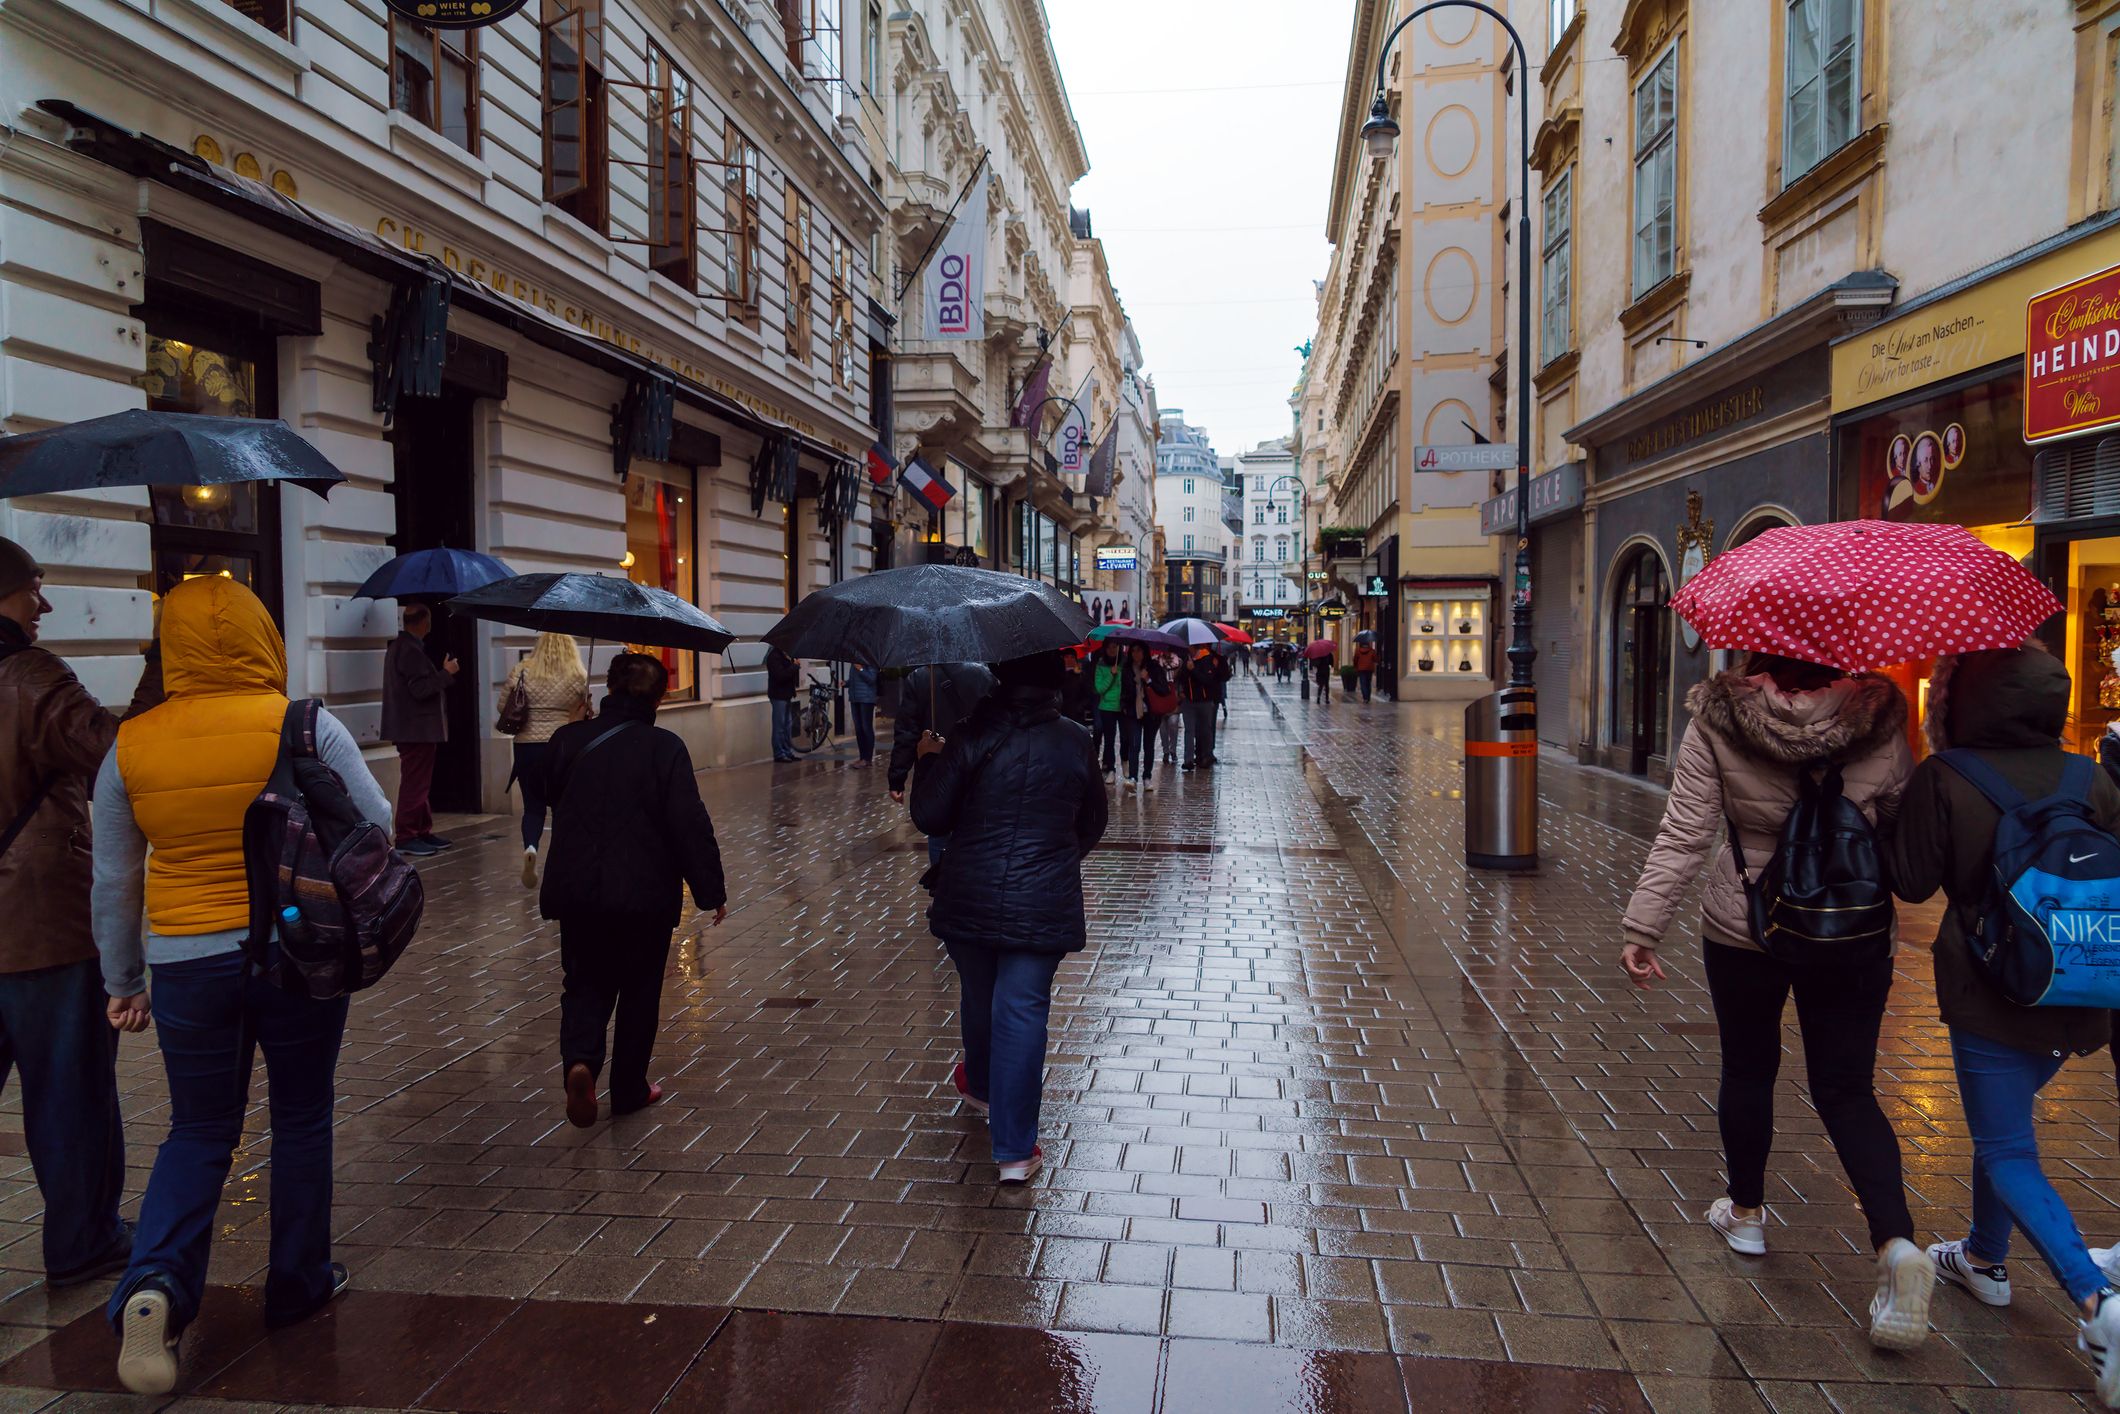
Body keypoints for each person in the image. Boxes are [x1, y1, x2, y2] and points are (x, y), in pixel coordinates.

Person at [93, 577, 390, 1395]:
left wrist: (124, 979)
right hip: (294, 952)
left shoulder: (132, 743)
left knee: (197, 1129)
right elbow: (380, 825)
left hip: (186, 964)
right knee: (300, 1117)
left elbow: (114, 878)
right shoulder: (301, 723)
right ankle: (296, 1283)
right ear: (264, 636)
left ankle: (154, 1287)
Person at [1620, 653, 1928, 1351]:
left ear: (1757, 650)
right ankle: (1897, 1245)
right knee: (1848, 1089)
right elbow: (1902, 828)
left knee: (1750, 1067)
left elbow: (1686, 831)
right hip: (1851, 925)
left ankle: (1749, 1212)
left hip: (1745, 922)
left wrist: (1645, 927)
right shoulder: (1878, 720)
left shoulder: (1719, 720)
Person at [1883, 643, 2120, 1403]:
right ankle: (1984, 1259)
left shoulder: (1945, 775)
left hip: (1992, 987)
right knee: (2003, 1127)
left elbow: (1913, 882)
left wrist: (1901, 809)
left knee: (2007, 1146)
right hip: (2085, 984)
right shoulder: (2091, 774)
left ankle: (2098, 1305)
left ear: (1959, 700)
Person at [912, 650, 1106, 1183]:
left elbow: (930, 815)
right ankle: (1015, 1151)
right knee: (1021, 1011)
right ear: (1053, 682)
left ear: (999, 677)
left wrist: (929, 758)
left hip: (970, 893)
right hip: (1041, 900)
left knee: (979, 994)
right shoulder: (1073, 739)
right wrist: (1051, 859)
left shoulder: (970, 733)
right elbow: (1093, 822)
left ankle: (979, 1086)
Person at [0, 538, 132, 1294]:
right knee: (68, 1089)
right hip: (41, 926)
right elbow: (115, 754)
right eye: (31, 589)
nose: (42, 605)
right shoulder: (32, 678)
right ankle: (82, 1239)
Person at [542, 652, 726, 1129]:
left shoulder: (567, 740)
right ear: (659, 698)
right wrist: (711, 890)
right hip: (643, 895)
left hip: (580, 888)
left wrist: (573, 728)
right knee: (640, 990)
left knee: (583, 982)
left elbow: (548, 795)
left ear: (609, 687)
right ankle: (627, 1088)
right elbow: (689, 824)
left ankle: (580, 1063)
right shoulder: (665, 748)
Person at [505, 633, 589, 889]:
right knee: (562, 807)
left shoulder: (521, 671)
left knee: (533, 808)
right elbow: (582, 710)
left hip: (526, 747)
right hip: (561, 746)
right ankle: (562, 862)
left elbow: (502, 706)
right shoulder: (577, 674)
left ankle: (531, 847)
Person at [890, 661, 995, 867]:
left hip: (937, 768)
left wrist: (897, 778)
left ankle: (941, 889)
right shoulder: (985, 675)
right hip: (979, 768)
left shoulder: (921, 678)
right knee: (975, 830)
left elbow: (907, 734)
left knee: (940, 832)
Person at [380, 603, 457, 857]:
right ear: (424, 622)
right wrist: (445, 673)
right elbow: (420, 690)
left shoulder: (403, 648)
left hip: (413, 728)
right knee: (415, 782)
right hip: (415, 729)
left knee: (420, 781)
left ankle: (422, 830)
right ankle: (407, 835)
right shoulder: (409, 650)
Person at [1119, 643, 1170, 793]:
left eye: (1139, 651)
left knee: (1148, 745)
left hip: (1151, 713)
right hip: (1133, 712)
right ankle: (1133, 778)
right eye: (1133, 651)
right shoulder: (1127, 669)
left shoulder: (1154, 667)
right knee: (1134, 745)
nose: (1136, 654)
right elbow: (1124, 690)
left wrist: (1148, 680)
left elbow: (1164, 689)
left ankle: (1147, 777)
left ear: (1144, 652)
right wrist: (1124, 705)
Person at [1180, 648, 1227, 770]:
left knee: (1205, 730)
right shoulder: (1185, 659)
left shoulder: (1207, 659)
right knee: (1189, 730)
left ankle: (1206, 756)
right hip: (1189, 701)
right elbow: (1182, 678)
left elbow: (1207, 680)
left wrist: (1193, 669)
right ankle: (1188, 760)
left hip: (1205, 701)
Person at [1091, 642, 1123, 779]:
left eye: (1115, 646)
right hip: (1107, 706)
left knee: (1125, 739)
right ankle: (1111, 768)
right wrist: (1111, 674)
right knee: (1109, 739)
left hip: (1122, 706)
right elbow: (1099, 689)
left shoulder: (1124, 664)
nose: (1112, 649)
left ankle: (1125, 764)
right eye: (1109, 647)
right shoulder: (1101, 665)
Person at [765, 646, 800, 762]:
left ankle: (788, 751)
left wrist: (794, 665)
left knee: (787, 726)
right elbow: (780, 676)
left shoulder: (787, 655)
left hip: (787, 694)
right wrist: (794, 667)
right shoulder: (774, 656)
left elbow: (790, 676)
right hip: (778, 695)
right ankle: (779, 753)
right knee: (779, 726)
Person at [847, 660, 881, 766]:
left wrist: (860, 669)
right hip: (854, 698)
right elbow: (855, 680)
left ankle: (867, 758)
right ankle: (862, 757)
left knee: (866, 728)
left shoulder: (870, 660)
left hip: (866, 698)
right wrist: (846, 683)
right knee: (858, 729)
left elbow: (871, 679)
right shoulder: (855, 662)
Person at [1353, 639, 1379, 703]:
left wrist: (1355, 666)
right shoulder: (1372, 651)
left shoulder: (1358, 651)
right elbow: (1376, 659)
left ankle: (1365, 698)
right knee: (1368, 683)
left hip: (1361, 669)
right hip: (1369, 669)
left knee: (1363, 683)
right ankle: (1368, 697)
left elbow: (1355, 660)